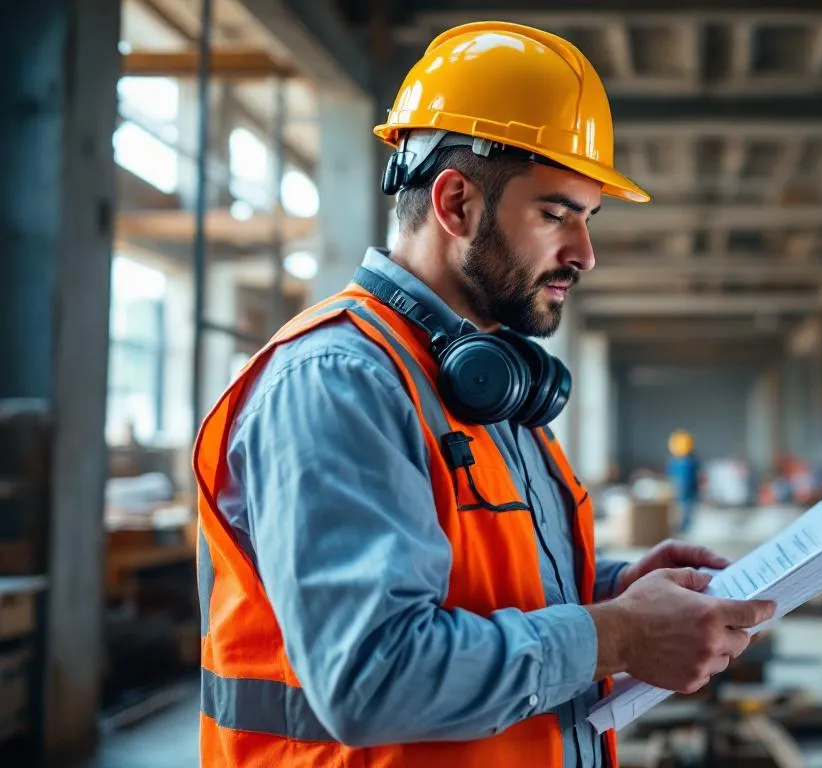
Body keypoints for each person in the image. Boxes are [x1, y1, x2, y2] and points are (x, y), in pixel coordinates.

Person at [192, 22, 776, 768]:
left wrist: (619, 587)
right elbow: (370, 677)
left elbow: (471, 584)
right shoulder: (341, 383)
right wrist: (619, 633)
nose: (585, 254)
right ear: (457, 203)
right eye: (556, 214)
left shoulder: (489, 385)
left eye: (589, 219)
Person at [665, 430, 701, 533]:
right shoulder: (688, 461)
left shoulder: (677, 461)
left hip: (684, 488)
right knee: (684, 508)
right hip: (685, 488)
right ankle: (682, 526)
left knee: (684, 508)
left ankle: (682, 526)